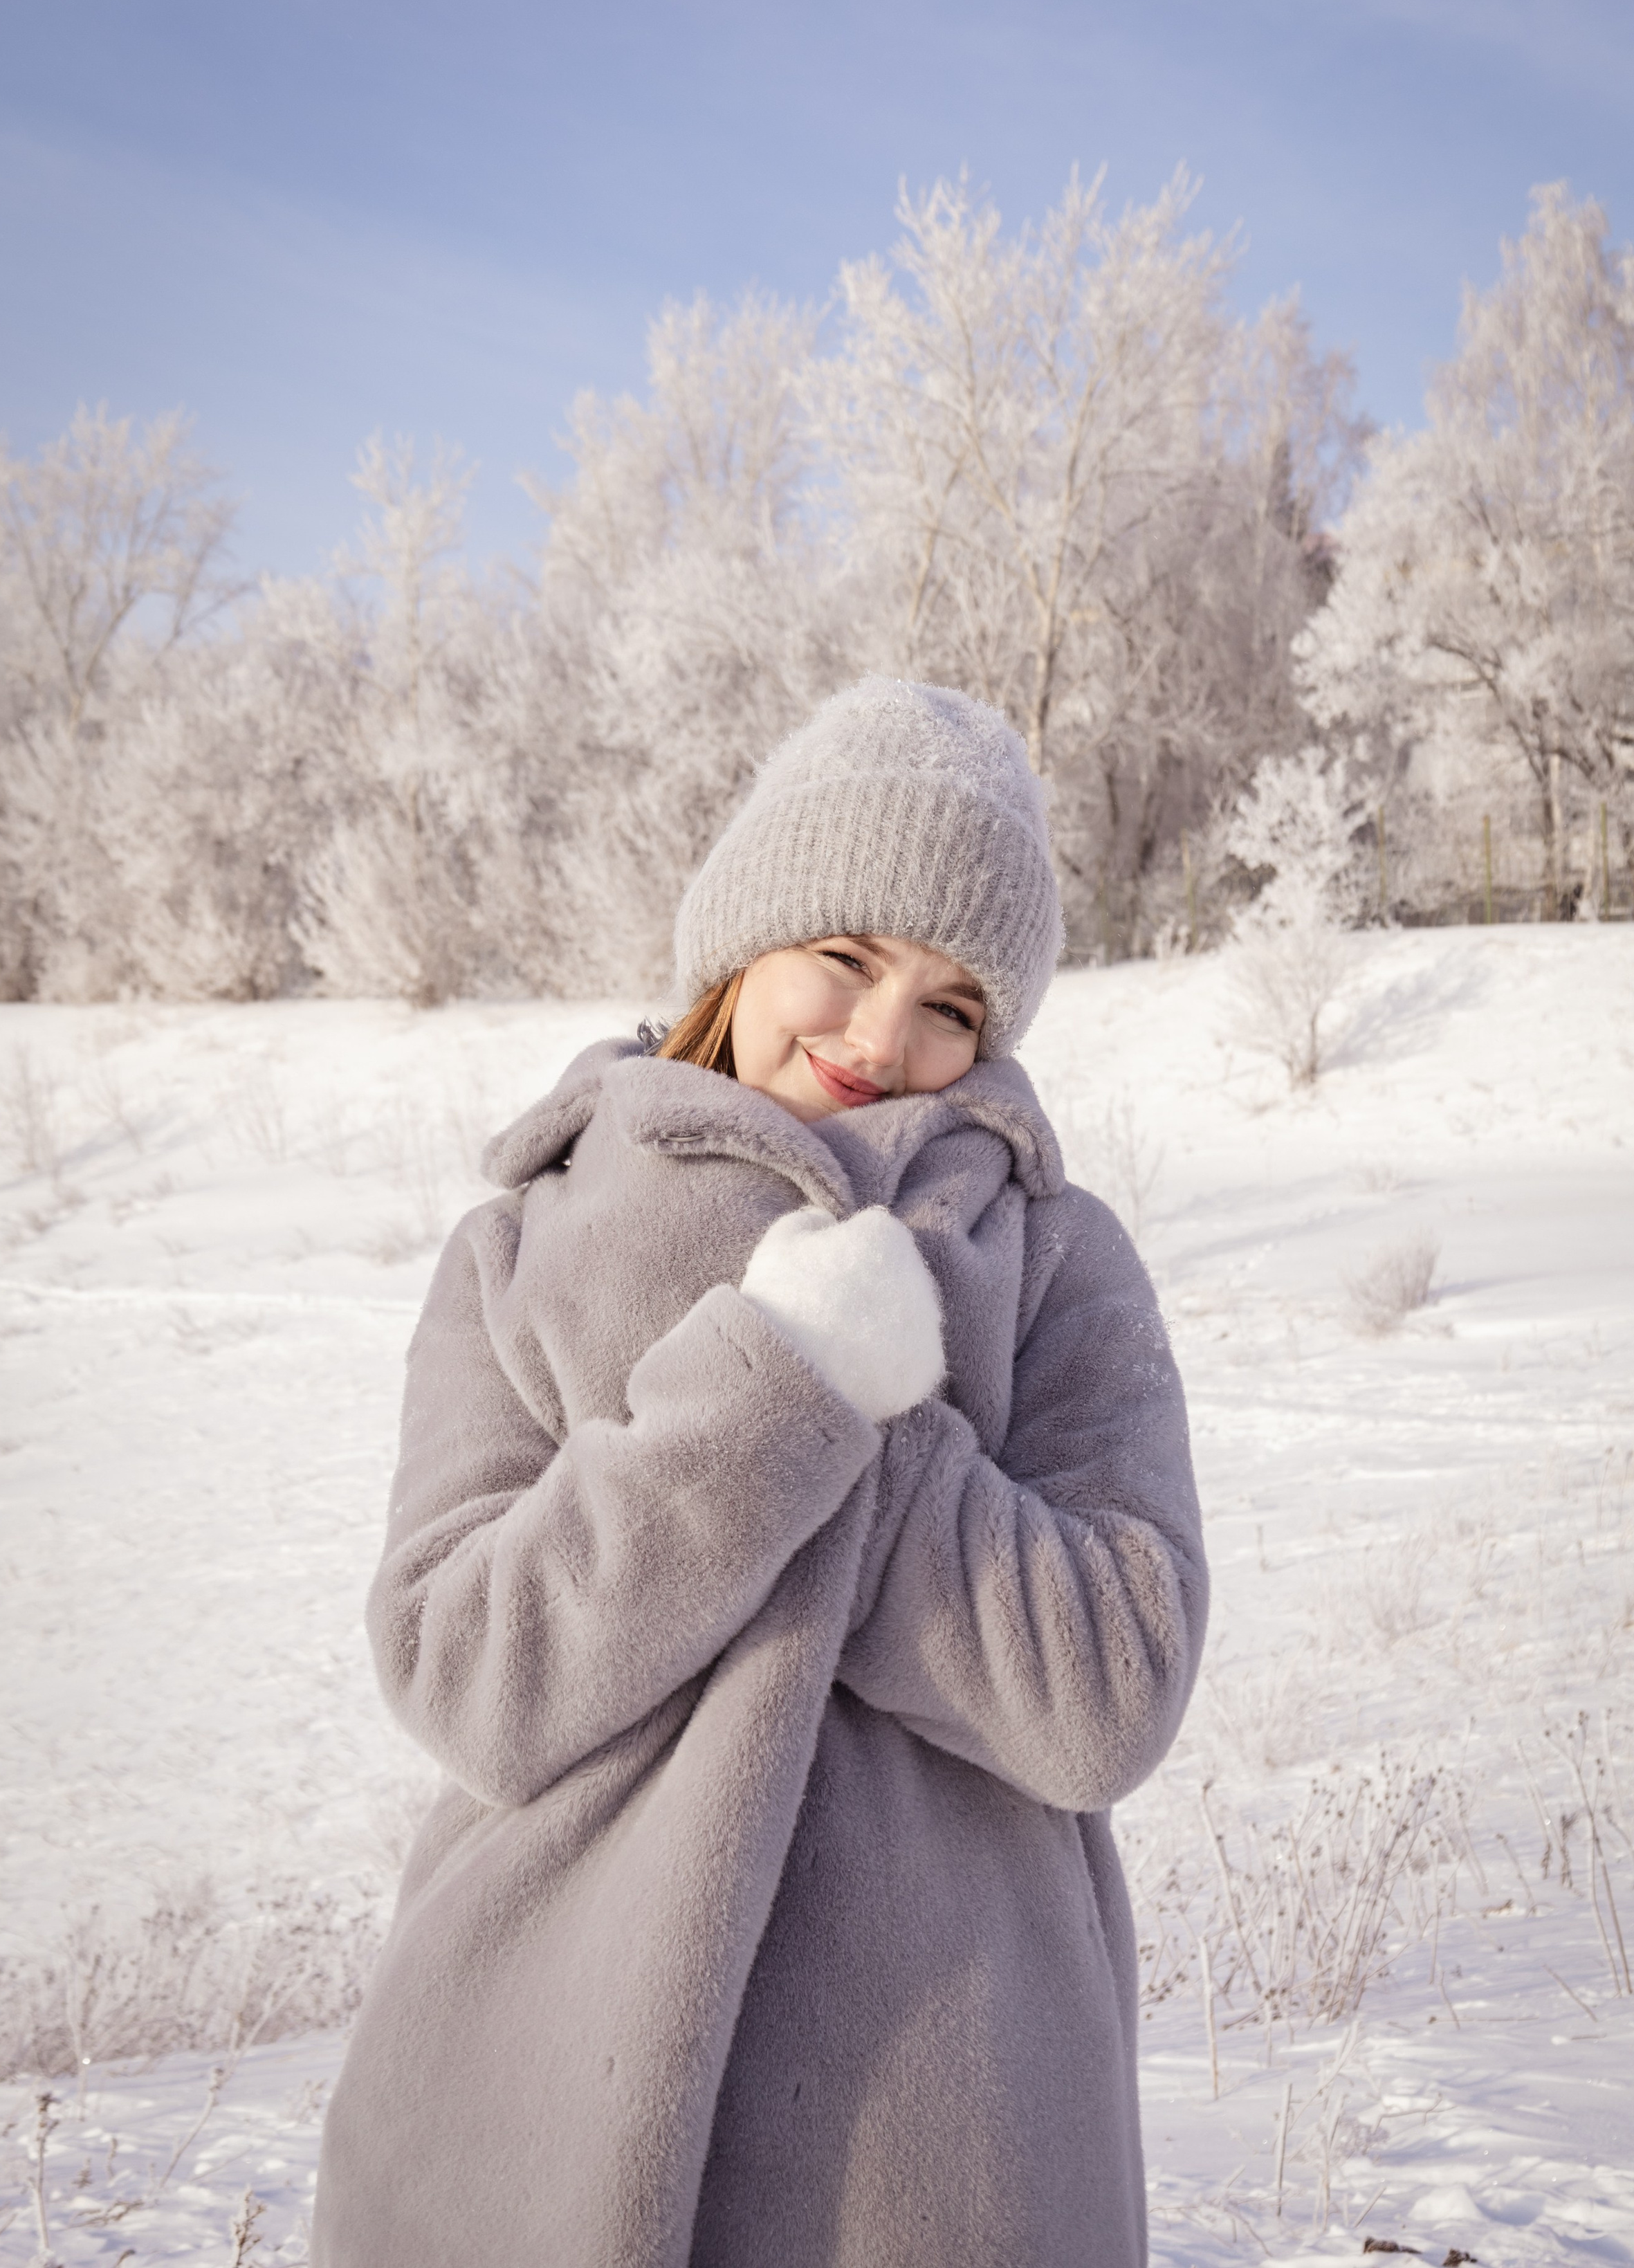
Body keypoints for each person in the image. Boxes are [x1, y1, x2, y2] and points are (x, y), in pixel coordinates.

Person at [311, 677, 1208, 2268]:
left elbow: (1107, 1694)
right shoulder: (524, 1244)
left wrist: (872, 1424)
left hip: (942, 2144)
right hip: (525, 2117)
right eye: (847, 960)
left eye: (953, 1003)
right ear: (743, 943)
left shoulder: (1056, 1263)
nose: (884, 1037)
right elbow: (467, 1678)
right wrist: (770, 1395)